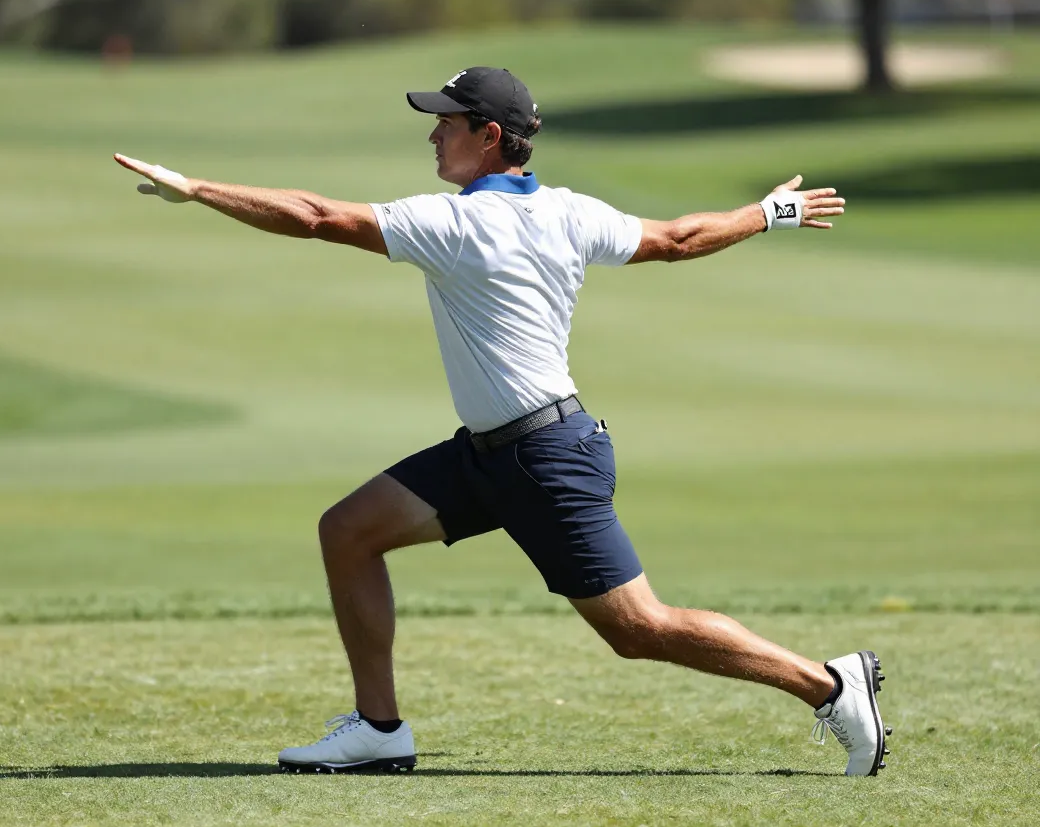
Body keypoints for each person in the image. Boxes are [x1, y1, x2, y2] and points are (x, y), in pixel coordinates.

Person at [114, 66, 890, 777]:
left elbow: (317, 217)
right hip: (493, 456)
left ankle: (827, 685)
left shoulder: (455, 227)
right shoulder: (570, 212)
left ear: (490, 137)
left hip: (546, 459)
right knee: (348, 530)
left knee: (637, 629)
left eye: (447, 122)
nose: (432, 134)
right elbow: (679, 239)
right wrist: (766, 213)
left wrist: (197, 189)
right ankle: (380, 730)